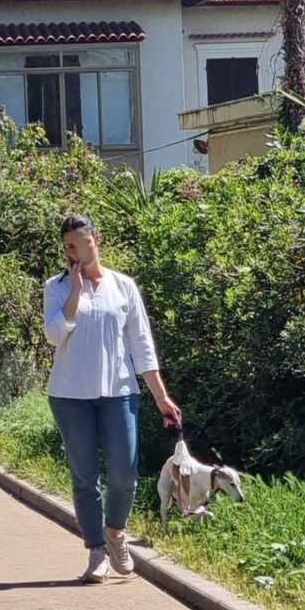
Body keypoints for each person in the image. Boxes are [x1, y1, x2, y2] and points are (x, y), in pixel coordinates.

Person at [43, 214, 182, 584]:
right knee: (85, 476)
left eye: (77, 243)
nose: (71, 251)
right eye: (66, 245)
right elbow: (55, 336)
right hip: (70, 395)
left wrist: (161, 396)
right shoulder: (55, 287)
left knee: (124, 473)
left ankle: (115, 532)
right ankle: (95, 552)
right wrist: (75, 290)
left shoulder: (123, 286)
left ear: (96, 240)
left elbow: (141, 345)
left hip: (119, 392)